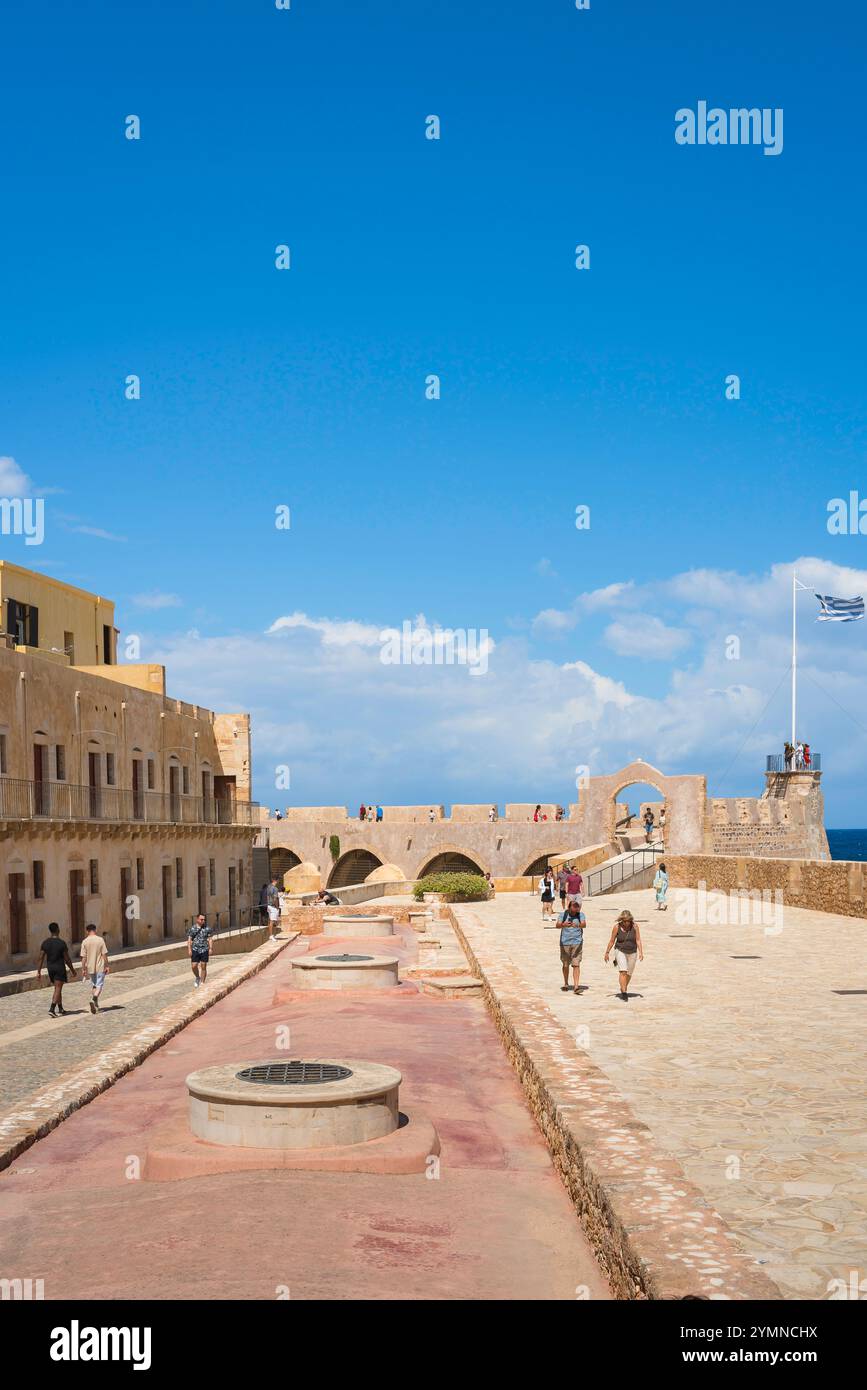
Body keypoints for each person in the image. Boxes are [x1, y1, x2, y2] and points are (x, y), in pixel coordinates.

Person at [604, 909, 644, 1002]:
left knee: (629, 973)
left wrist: (641, 952)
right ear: (621, 920)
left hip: (632, 951)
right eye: (625, 921)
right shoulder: (616, 927)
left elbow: (638, 940)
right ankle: (624, 992)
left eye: (628, 921)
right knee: (623, 971)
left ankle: (623, 987)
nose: (627, 923)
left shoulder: (635, 926)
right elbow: (612, 941)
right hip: (620, 950)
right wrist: (607, 952)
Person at [37, 922, 74, 1018]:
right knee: (58, 988)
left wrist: (39, 971)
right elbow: (67, 959)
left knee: (57, 987)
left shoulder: (45, 943)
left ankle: (60, 1008)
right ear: (58, 929)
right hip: (59, 968)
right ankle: (52, 1008)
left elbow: (40, 957)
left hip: (50, 968)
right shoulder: (61, 943)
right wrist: (72, 970)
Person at [79, 923, 109, 1013]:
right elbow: (104, 954)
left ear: (87, 931)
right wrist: (107, 965)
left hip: (90, 967)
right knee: (99, 985)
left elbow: (83, 957)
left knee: (94, 985)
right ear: (95, 930)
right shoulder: (100, 940)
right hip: (100, 966)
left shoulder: (85, 941)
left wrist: (83, 969)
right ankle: (93, 999)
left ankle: (96, 1005)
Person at [558, 899, 586, 993]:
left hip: (577, 942)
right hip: (565, 942)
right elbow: (557, 925)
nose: (574, 913)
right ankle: (566, 983)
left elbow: (584, 924)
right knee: (565, 964)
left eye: (576, 910)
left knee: (576, 964)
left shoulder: (580, 914)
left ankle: (576, 986)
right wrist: (563, 924)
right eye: (573, 911)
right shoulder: (563, 915)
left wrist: (577, 926)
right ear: (569, 908)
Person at [187, 913, 214, 987]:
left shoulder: (207, 928)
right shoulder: (192, 928)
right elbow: (189, 940)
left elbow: (210, 939)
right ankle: (197, 977)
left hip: (204, 949)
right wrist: (189, 949)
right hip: (195, 949)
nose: (203, 921)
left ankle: (202, 983)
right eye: (201, 919)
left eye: (204, 919)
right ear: (197, 919)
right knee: (194, 966)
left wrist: (210, 948)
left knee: (203, 966)